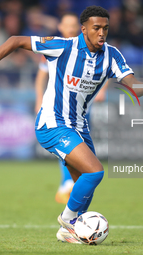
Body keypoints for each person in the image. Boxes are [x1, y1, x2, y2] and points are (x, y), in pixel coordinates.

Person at [0, 6, 143, 244]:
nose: (102, 33)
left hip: (79, 126)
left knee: (85, 184)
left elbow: (133, 86)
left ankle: (69, 232)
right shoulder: (63, 47)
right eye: (96, 28)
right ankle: (68, 220)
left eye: (105, 28)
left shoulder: (112, 55)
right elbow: (15, 40)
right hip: (52, 125)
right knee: (95, 172)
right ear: (83, 29)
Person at [34, 12, 107, 205]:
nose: (71, 29)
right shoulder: (54, 48)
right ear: (61, 27)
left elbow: (107, 70)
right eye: (67, 25)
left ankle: (70, 195)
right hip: (58, 112)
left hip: (82, 110)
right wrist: (39, 99)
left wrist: (103, 90)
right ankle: (67, 185)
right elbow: (41, 77)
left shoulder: (94, 48)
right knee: (69, 145)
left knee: (80, 151)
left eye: (74, 25)